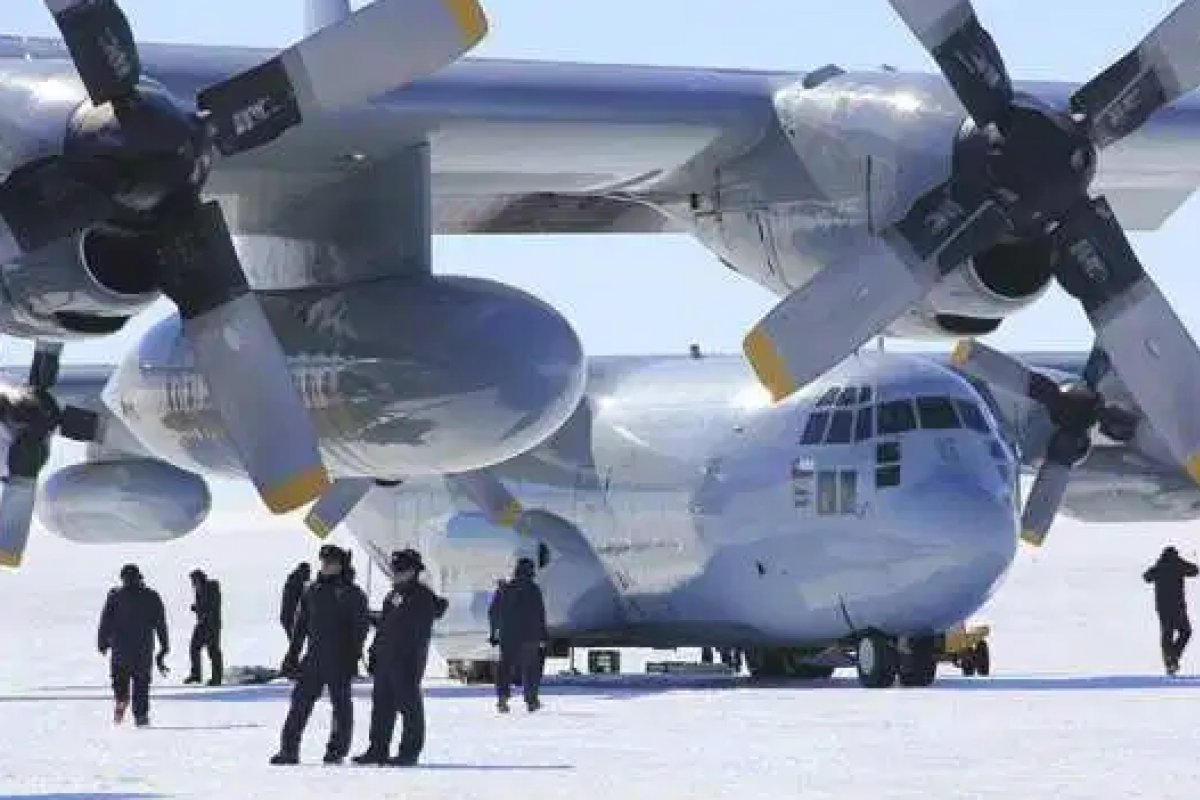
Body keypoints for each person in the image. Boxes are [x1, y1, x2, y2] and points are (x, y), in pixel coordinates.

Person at [270, 545, 370, 765]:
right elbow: (300, 625)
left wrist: (352, 655)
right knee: (299, 702)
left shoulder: (353, 594)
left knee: (341, 706)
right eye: (323, 562)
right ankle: (289, 750)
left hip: (339, 658)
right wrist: (293, 654)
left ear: (341, 565)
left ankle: (336, 751)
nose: (325, 566)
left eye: (330, 563)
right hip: (314, 657)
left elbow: (360, 628)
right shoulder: (312, 591)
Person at [353, 549, 448, 767]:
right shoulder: (394, 595)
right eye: (395, 570)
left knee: (410, 709)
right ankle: (378, 749)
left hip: (406, 661)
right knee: (382, 708)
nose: (396, 574)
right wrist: (374, 651)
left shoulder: (421, 597)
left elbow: (415, 631)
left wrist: (407, 657)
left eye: (401, 570)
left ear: (413, 572)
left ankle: (409, 752)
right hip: (387, 659)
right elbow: (387, 626)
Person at [97, 564, 170, 727]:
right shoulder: (151, 596)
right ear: (139, 577)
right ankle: (141, 716)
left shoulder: (115, 597)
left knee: (119, 679)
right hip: (142, 650)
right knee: (141, 684)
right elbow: (161, 624)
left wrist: (102, 642)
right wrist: (164, 646)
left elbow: (105, 622)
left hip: (120, 649)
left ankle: (121, 699)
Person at [491, 557, 548, 714]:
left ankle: (502, 700)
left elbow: (494, 612)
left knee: (505, 668)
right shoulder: (534, 589)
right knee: (531, 670)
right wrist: (543, 635)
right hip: (529, 637)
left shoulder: (504, 589)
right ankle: (531, 701)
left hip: (508, 637)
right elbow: (540, 614)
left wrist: (493, 633)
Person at [1144, 546, 1199, 675]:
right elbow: (1195, 570)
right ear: (1175, 555)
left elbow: (1146, 577)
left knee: (1167, 634)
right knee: (1185, 631)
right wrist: (1183, 561)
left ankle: (1171, 660)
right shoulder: (1178, 564)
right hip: (1178, 606)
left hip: (1163, 608)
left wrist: (1157, 566)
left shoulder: (1160, 566)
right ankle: (1173, 657)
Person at [185, 569, 223, 686]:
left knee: (213, 650)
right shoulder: (199, 589)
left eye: (193, 580)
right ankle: (196, 675)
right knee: (195, 648)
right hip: (203, 623)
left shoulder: (211, 587)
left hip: (211, 624)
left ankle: (216, 678)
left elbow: (211, 606)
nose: (192, 583)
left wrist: (198, 608)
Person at [280, 562, 311, 638]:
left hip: (290, 617)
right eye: (308, 572)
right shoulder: (296, 582)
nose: (309, 574)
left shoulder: (293, 580)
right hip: (290, 617)